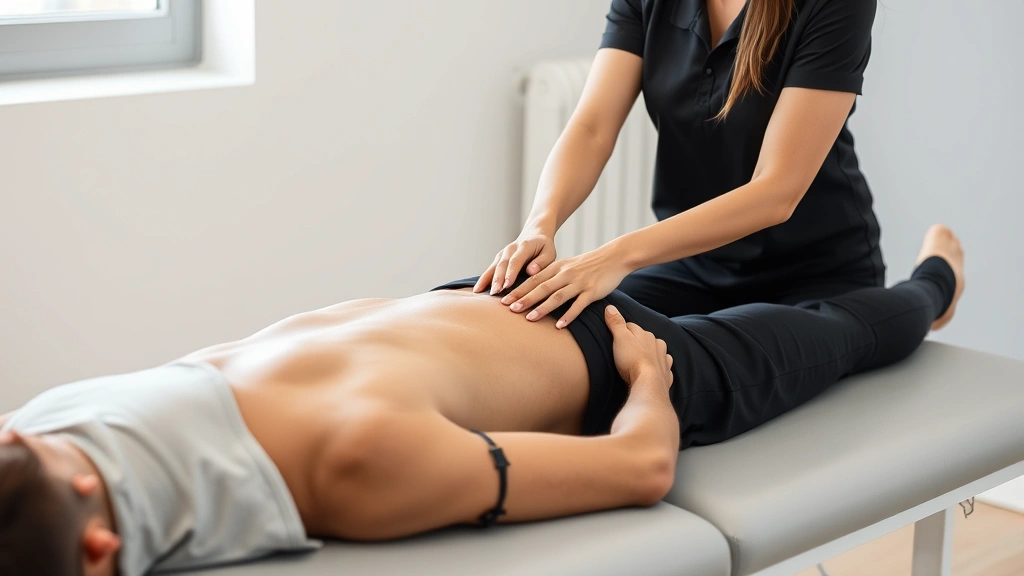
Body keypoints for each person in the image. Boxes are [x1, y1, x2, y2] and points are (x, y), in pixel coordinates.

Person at [0, 225, 963, 576]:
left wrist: (650, 379)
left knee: (831, 333)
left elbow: (641, 465)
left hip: (552, 326)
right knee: (810, 326)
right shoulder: (47, 418)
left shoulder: (356, 462)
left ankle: (927, 298)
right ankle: (922, 289)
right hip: (530, 328)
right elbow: (638, 463)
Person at [478, 0, 886, 328]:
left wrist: (614, 256)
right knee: (560, 324)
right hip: (695, 265)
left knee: (705, 369)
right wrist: (540, 224)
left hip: (814, 274)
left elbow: (777, 190)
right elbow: (592, 128)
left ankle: (936, 277)